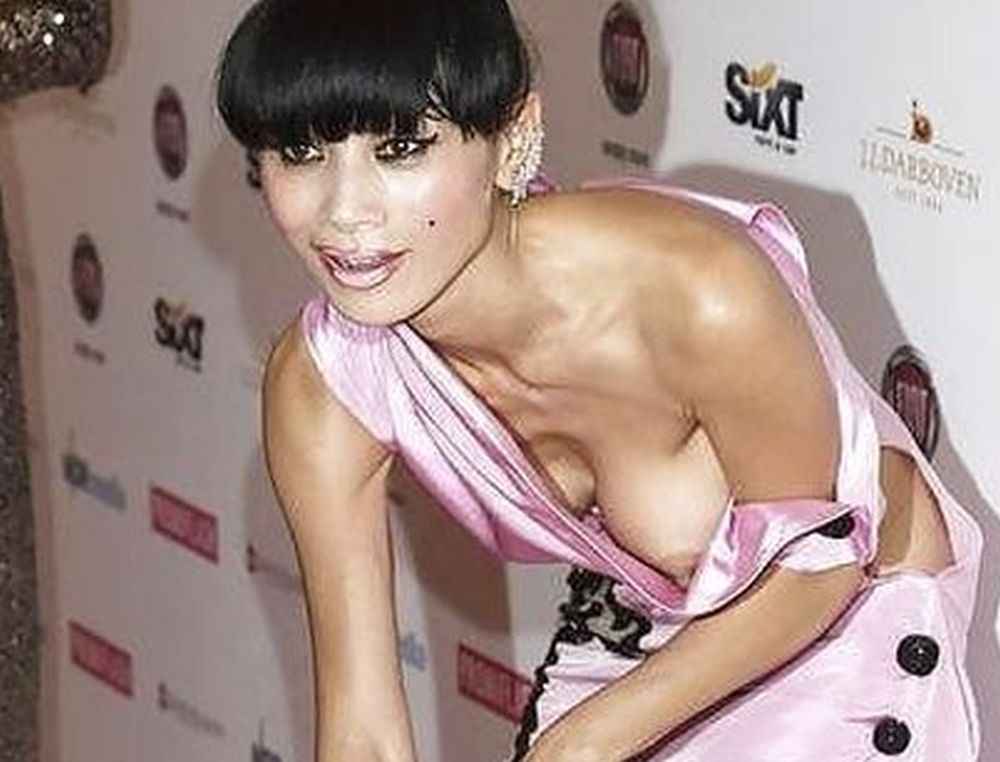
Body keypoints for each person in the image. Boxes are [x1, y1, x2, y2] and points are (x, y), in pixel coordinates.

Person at [216, 1, 982, 760]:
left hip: (846, 619)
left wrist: (582, 743)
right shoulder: (325, 386)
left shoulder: (696, 290)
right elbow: (363, 734)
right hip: (646, 642)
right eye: (301, 153)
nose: (345, 212)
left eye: (402, 148)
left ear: (512, 135)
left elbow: (823, 562)